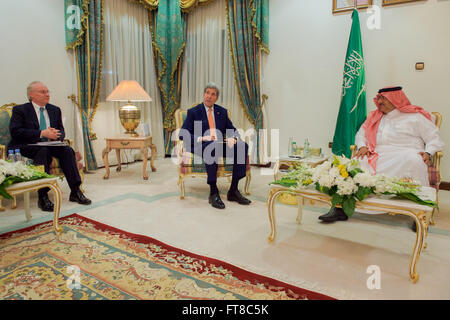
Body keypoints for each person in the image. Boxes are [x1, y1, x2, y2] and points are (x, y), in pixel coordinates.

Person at [319, 86, 444, 223]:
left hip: (405, 153)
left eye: (383, 99)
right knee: (352, 164)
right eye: (378, 99)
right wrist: (361, 146)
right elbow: (361, 134)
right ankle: (340, 208)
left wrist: (428, 152)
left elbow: (434, 137)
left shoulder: (415, 117)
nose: (379, 102)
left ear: (395, 99)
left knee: (415, 161)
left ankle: (419, 214)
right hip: (377, 153)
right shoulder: (375, 116)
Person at [8, 81, 92, 212]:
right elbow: (16, 132)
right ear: (32, 95)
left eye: (48, 91)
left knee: (67, 150)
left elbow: (61, 130)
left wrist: (56, 135)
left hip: (50, 143)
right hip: (27, 145)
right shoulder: (20, 110)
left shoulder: (54, 110)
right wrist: (42, 133)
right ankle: (43, 196)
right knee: (43, 151)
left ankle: (75, 191)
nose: (47, 94)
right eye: (43, 92)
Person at [179, 82, 251, 209]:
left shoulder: (222, 112)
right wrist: (201, 137)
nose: (209, 96)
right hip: (200, 145)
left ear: (216, 98)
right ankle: (213, 191)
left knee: (242, 146)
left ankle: (233, 190)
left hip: (218, 144)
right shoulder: (194, 112)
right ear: (203, 94)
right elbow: (182, 134)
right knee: (211, 146)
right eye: (207, 93)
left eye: (213, 94)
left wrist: (233, 138)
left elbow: (232, 129)